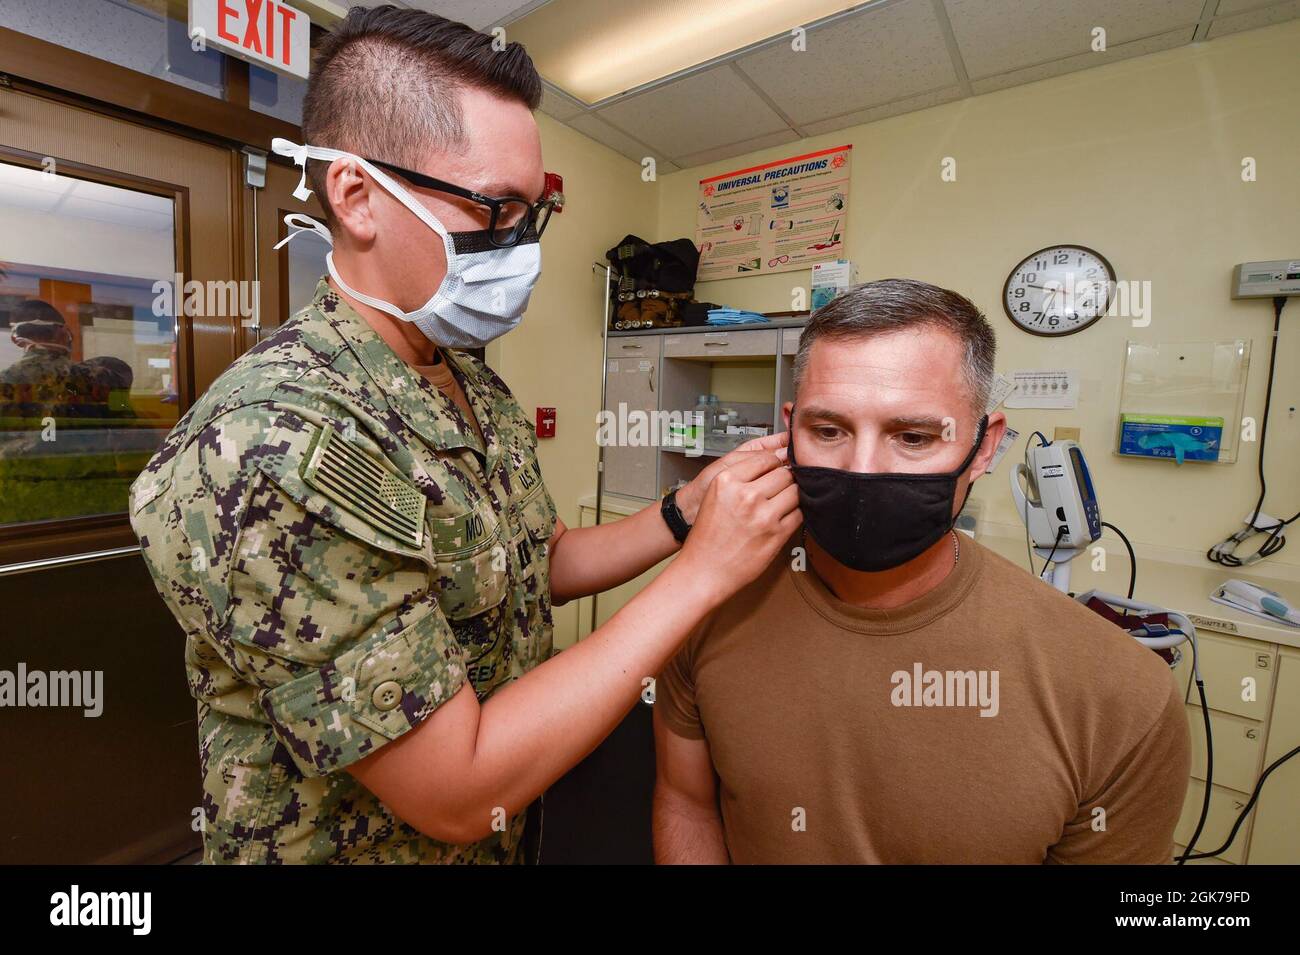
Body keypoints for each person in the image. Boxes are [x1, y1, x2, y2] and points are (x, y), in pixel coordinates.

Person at [129, 6, 800, 864]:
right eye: (497, 207)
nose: (522, 245)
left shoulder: (464, 376)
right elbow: (457, 788)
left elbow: (538, 562)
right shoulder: (272, 442)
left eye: (533, 214)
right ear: (358, 195)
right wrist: (702, 576)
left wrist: (681, 514)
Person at [653, 278, 1190, 864]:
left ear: (985, 447)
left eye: (912, 437)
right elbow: (687, 803)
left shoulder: (1120, 695)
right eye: (828, 431)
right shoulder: (703, 604)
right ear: (790, 428)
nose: (863, 470)